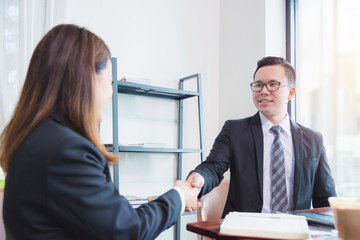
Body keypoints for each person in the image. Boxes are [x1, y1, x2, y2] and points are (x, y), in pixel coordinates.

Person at [0, 24, 199, 240]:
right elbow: (126, 230)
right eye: (110, 81)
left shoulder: (37, 140)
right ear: (86, 79)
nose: (111, 92)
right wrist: (179, 196)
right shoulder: (67, 152)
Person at [186, 56, 336, 216]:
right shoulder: (234, 130)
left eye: (273, 84)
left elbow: (325, 200)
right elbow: (213, 167)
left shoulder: (313, 140)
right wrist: (198, 177)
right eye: (258, 85)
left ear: (291, 92)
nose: (263, 91)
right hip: (246, 230)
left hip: (294, 231)